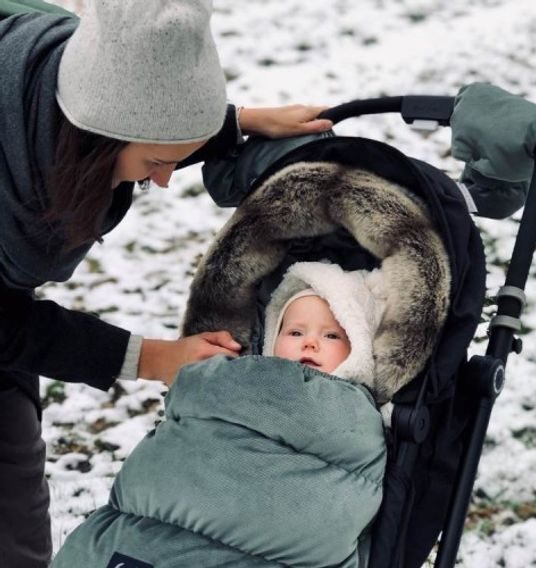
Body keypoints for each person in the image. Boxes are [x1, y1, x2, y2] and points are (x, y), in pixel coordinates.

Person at [0, 1, 334, 566]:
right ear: (91, 138)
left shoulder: (72, 87)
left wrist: (237, 122)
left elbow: (137, 105)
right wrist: (148, 358)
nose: (161, 179)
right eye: (157, 161)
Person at [50, 261, 387, 567]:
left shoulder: (359, 419)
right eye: (295, 332)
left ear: (359, 348)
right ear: (271, 339)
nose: (309, 343)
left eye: (331, 335)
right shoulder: (229, 380)